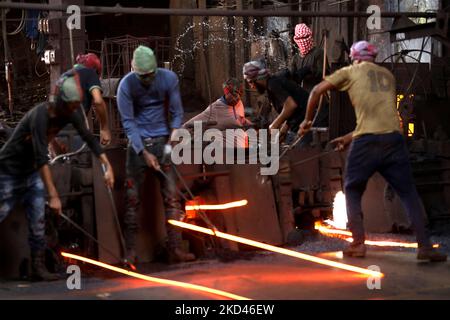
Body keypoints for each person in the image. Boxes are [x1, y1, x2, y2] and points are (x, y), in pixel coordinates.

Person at [298, 40, 447, 262]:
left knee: (353, 188)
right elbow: (378, 116)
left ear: (354, 57)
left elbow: (316, 92)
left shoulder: (350, 71)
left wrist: (307, 122)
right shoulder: (387, 75)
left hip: (367, 142)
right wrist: (349, 137)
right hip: (393, 140)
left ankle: (358, 244)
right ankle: (425, 246)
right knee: (408, 193)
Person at [0, 73, 115, 281]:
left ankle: (39, 267)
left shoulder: (70, 113)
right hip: (8, 171)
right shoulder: (39, 115)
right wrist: (53, 195)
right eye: (70, 105)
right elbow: (40, 156)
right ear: (60, 101)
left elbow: (89, 138)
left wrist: (107, 165)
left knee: (38, 220)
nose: (73, 109)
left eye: (75, 105)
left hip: (31, 172)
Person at [116, 45, 195, 264]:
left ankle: (175, 249)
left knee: (172, 200)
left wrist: (171, 140)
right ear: (133, 69)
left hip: (163, 142)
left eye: (150, 75)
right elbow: (128, 122)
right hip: (137, 147)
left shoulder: (168, 79)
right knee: (132, 200)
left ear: (156, 70)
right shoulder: (126, 85)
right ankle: (130, 252)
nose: (147, 80)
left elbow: (177, 112)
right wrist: (143, 152)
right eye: (143, 76)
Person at [243, 59, 309, 143]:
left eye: (250, 82)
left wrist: (275, 124)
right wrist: (285, 127)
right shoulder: (271, 85)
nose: (251, 86)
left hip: (312, 121)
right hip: (301, 121)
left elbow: (291, 105)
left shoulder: (273, 84)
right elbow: (295, 110)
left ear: (258, 78)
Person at [183, 78, 253, 148]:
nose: (237, 98)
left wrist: (251, 125)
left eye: (240, 95)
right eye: (234, 95)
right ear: (226, 91)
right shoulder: (215, 108)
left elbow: (240, 119)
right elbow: (187, 125)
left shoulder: (239, 103)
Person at [61, 53, 111, 146]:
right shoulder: (90, 73)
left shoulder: (64, 76)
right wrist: (104, 128)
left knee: (61, 159)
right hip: (73, 129)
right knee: (82, 158)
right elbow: (98, 101)